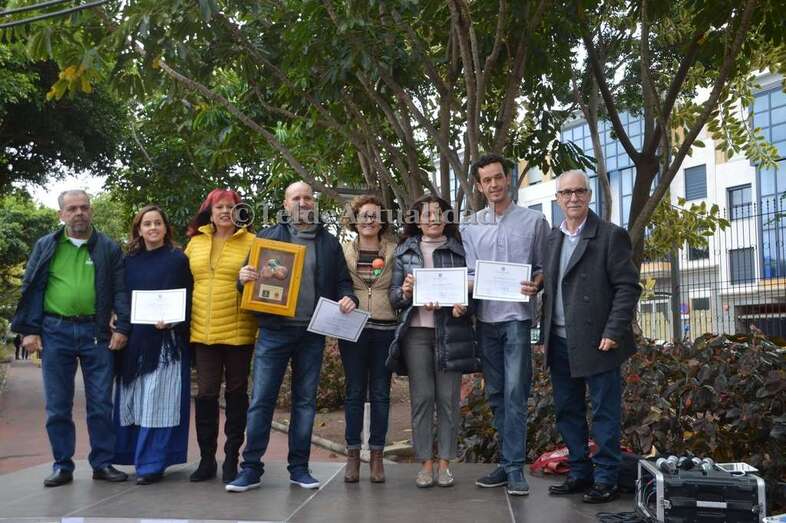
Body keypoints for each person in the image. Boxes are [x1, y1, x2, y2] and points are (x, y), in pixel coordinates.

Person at [228, 181, 358, 493]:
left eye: (307, 197)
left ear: (314, 203)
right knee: (261, 401)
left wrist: (347, 297)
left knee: (304, 403)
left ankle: (299, 468)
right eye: (296, 198)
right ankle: (251, 469)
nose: (303, 202)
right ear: (286, 205)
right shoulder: (267, 238)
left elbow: (342, 281)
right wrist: (242, 278)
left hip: (312, 333)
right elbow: (248, 283)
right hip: (274, 331)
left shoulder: (328, 243)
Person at [11, 189, 130, 487]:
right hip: (55, 331)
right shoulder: (46, 245)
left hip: (97, 332)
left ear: (91, 211)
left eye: (84, 207)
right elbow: (31, 285)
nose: (79, 213)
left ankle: (102, 463)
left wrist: (123, 328)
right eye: (72, 208)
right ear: (61, 214)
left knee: (102, 403)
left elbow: (120, 290)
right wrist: (29, 330)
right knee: (57, 405)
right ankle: (62, 465)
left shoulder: (108, 247)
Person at [542, 170, 641, 503]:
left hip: (600, 341)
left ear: (589, 195)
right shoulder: (553, 238)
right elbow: (557, 282)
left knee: (604, 414)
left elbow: (627, 287)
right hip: (559, 340)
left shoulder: (611, 236)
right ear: (557, 199)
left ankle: (606, 479)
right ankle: (580, 473)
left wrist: (614, 330)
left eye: (579, 191)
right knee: (568, 412)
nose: (573, 198)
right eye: (566, 193)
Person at [460, 153, 549, 496]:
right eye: (487, 180)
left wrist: (536, 284)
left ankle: (514, 469)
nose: (494, 184)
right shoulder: (469, 226)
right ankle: (507, 461)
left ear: (508, 178)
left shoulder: (534, 222)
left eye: (498, 177)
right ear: (480, 186)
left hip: (517, 320)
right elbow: (468, 275)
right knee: (496, 394)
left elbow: (542, 268)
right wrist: (461, 289)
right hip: (485, 321)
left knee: (515, 392)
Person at [387, 194, 480, 488]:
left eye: (438, 213)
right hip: (416, 334)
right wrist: (405, 291)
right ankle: (425, 463)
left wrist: (462, 306)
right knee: (423, 398)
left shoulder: (460, 251)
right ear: (416, 220)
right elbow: (394, 299)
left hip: (450, 332)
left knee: (448, 399)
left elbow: (472, 295)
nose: (432, 219)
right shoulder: (404, 252)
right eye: (426, 214)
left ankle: (445, 464)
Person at [113, 205, 193, 485]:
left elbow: (187, 297)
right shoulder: (128, 261)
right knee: (133, 401)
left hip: (166, 342)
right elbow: (121, 296)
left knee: (157, 403)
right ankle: (133, 457)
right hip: (133, 342)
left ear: (165, 227)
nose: (153, 228)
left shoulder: (177, 259)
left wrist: (174, 320)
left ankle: (152, 465)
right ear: (139, 229)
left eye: (158, 223)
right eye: (147, 224)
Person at [184, 188, 257, 483]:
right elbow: (182, 282)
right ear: (209, 212)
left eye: (231, 207)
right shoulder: (194, 244)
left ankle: (231, 459)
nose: (225, 212)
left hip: (240, 331)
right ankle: (206, 460)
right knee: (205, 395)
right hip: (202, 332)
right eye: (219, 207)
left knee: (237, 396)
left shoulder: (253, 242)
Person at [339, 195, 397, 483]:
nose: (369, 220)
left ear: (381, 220)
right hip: (353, 327)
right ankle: (352, 456)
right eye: (364, 215)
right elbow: (337, 283)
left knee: (381, 393)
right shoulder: (344, 251)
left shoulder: (394, 251)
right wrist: (342, 298)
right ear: (355, 220)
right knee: (354, 392)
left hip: (385, 328)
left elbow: (401, 285)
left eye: (375, 215)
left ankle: (376, 456)